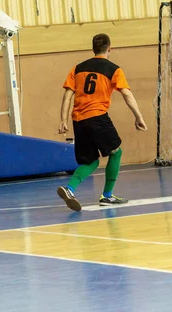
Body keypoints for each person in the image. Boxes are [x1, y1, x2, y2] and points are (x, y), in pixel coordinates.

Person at [56, 33, 147, 211]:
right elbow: (127, 94)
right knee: (116, 152)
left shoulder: (78, 68)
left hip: (78, 120)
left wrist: (63, 120)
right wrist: (139, 116)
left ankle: (70, 189)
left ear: (93, 48)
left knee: (90, 162)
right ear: (109, 48)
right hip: (97, 117)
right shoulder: (114, 69)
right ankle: (107, 196)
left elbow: (67, 95)